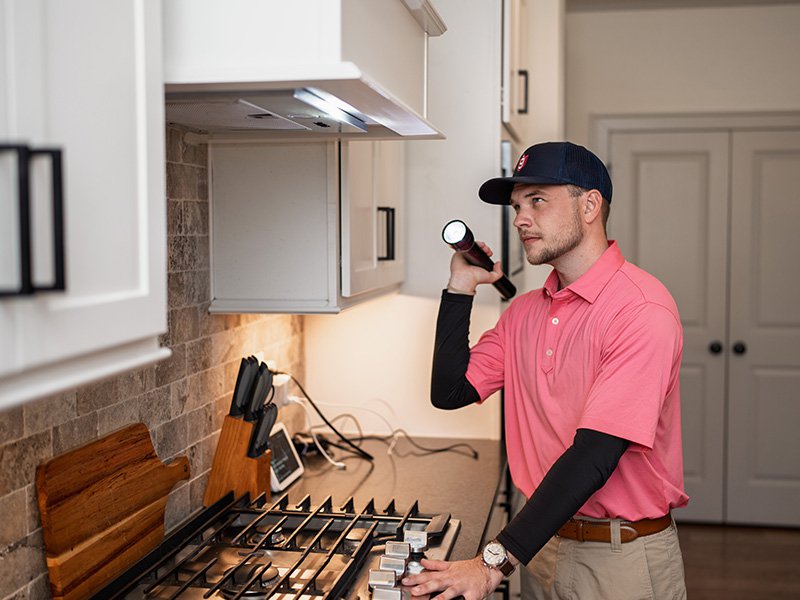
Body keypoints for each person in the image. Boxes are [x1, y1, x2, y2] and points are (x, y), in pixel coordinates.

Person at [402, 142, 689, 600]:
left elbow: (595, 455)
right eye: (517, 206)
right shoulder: (524, 314)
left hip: (619, 559)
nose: (520, 218)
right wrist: (460, 289)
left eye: (538, 200)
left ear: (589, 204)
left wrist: (493, 561)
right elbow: (450, 391)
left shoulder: (641, 310)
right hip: (541, 545)